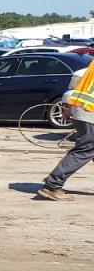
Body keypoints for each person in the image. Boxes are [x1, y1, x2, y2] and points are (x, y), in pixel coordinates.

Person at [38, 60, 94, 201]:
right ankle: (52, 185)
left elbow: (81, 86)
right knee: (85, 150)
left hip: (82, 109)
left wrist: (70, 108)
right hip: (90, 113)